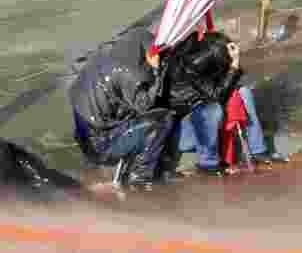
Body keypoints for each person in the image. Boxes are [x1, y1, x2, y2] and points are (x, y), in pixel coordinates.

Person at [69, 26, 176, 189]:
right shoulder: (128, 73)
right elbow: (146, 106)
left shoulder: (102, 57)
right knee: (162, 119)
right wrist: (156, 71)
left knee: (126, 111)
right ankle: (138, 179)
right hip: (101, 146)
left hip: (86, 139)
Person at [161, 31, 278, 175]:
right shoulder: (190, 67)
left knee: (243, 92)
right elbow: (216, 96)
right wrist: (234, 66)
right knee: (212, 109)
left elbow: (221, 89)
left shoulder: (205, 61)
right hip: (184, 136)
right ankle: (207, 163)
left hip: (205, 124)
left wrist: (233, 63)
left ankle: (257, 150)